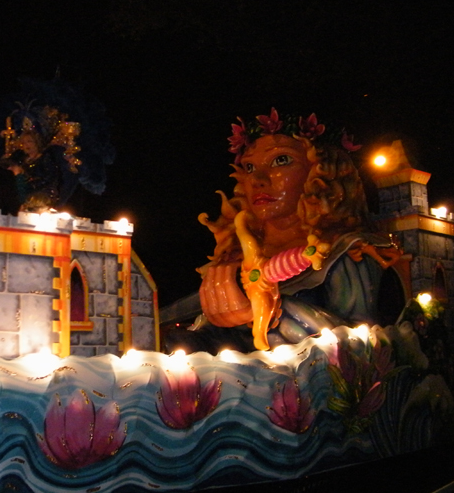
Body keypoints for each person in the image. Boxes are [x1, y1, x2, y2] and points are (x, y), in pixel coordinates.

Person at [171, 108, 401, 353]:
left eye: (281, 160)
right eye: (249, 167)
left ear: (324, 171)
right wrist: (215, 318)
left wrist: (269, 311)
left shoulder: (346, 253)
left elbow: (358, 342)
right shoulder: (239, 255)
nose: (257, 179)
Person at [3, 127, 61, 212]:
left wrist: (31, 184)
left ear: (37, 143)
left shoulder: (45, 158)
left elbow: (50, 177)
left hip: (41, 196)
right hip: (24, 193)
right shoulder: (22, 159)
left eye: (29, 141)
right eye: (24, 142)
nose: (26, 145)